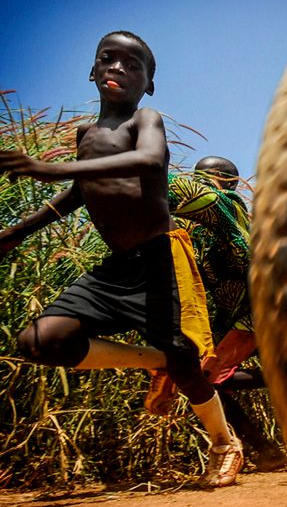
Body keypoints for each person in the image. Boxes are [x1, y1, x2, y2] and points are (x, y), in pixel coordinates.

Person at [1, 31, 242, 486]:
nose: (117, 68)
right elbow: (78, 194)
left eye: (133, 65)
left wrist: (52, 167)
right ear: (92, 71)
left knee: (187, 363)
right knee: (38, 340)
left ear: (148, 84)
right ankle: (154, 360)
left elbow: (150, 161)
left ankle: (224, 444)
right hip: (115, 270)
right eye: (107, 60)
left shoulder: (145, 120)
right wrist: (14, 233)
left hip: (159, 261)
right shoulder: (84, 134)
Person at [165, 156, 287, 471]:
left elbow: (181, 190)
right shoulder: (193, 226)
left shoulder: (226, 204)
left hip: (257, 311)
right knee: (204, 380)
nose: (199, 182)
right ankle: (267, 448)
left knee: (204, 379)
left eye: (206, 178)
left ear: (227, 184)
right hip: (233, 314)